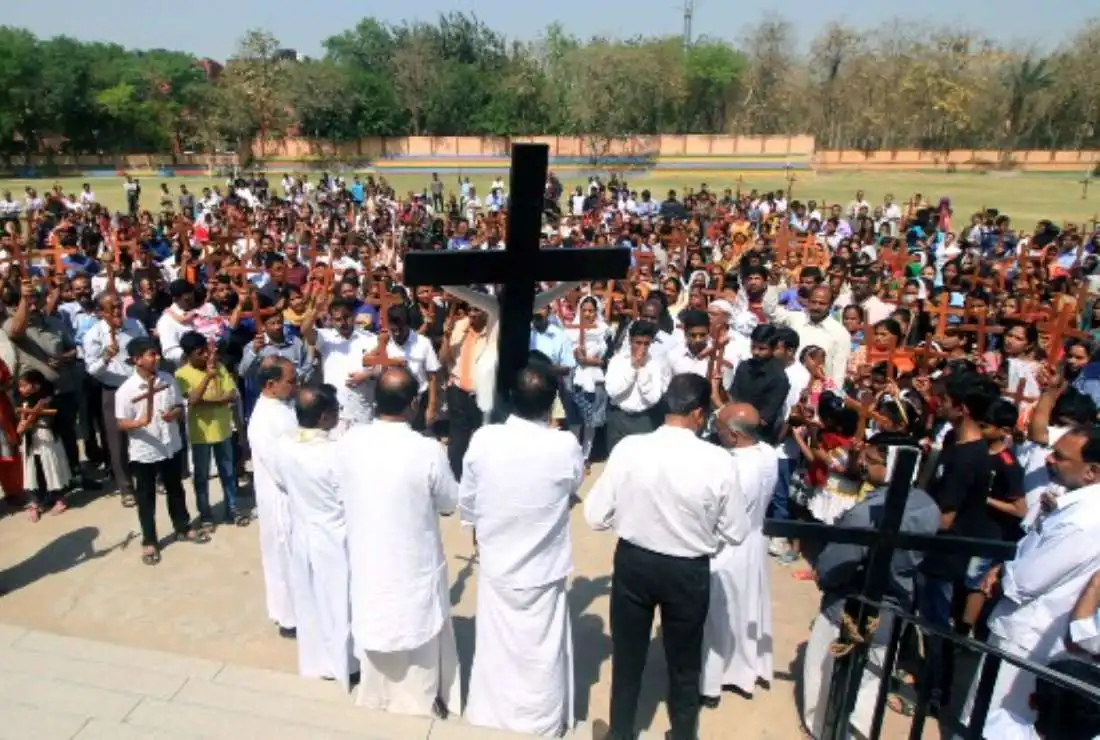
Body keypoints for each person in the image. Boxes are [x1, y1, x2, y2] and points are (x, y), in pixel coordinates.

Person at [585, 373, 751, 740]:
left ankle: (622, 733)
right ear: (698, 414)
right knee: (685, 665)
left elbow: (595, 516)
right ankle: (682, 733)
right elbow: (736, 531)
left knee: (628, 660)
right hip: (688, 571)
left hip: (634, 563)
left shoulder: (630, 448)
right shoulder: (719, 461)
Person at [461, 362, 584, 736]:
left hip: (498, 559)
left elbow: (468, 498)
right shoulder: (564, 444)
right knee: (540, 652)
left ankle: (491, 714)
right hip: (542, 565)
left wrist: (479, 529)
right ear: (553, 405)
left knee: (496, 645)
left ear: (510, 399)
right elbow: (573, 483)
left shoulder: (485, 439)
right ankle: (540, 722)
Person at [962, 425, 1100, 736]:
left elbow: (1025, 581)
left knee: (991, 723)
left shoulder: (1085, 519)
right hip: (1031, 637)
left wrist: (1001, 573)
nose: (1049, 459)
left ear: (1091, 471)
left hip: (1026, 641)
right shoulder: (1079, 506)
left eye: (1061, 457)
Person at [336, 367, 459, 716]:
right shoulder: (428, 450)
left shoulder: (350, 442)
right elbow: (451, 502)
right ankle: (418, 703)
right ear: (414, 404)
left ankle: (376, 696)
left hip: (370, 555)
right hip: (410, 559)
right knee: (415, 627)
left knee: (379, 616)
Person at [801, 433, 940, 738]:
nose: (863, 463)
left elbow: (836, 563)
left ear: (890, 465)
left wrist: (824, 578)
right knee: (872, 682)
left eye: (872, 459)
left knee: (823, 677)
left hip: (848, 607)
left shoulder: (867, 512)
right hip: (893, 613)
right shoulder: (928, 506)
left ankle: (822, 728)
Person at [701, 402, 777, 705]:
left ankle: (713, 680)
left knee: (721, 614)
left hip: (728, 547)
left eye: (719, 428)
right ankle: (748, 668)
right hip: (755, 540)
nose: (715, 433)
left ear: (733, 436)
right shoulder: (768, 454)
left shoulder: (731, 466)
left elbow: (720, 517)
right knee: (748, 608)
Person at [115, 337, 209, 566]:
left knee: (175, 489)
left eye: (156, 353)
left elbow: (178, 405)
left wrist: (174, 414)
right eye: (150, 354)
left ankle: (182, 527)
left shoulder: (167, 380)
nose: (156, 358)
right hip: (145, 450)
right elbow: (121, 423)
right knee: (146, 497)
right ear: (137, 360)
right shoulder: (126, 390)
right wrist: (139, 423)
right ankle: (149, 540)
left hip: (170, 444)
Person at [246, 356, 298, 638]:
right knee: (283, 559)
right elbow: (279, 467)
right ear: (270, 384)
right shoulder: (263, 420)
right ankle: (289, 618)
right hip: (280, 501)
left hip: (293, 499)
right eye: (290, 381)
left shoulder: (282, 408)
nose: (296, 385)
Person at [83, 292, 146, 508]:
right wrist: (106, 358)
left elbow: (146, 348)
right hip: (113, 390)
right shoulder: (93, 335)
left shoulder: (135, 325)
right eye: (112, 309)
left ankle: (149, 477)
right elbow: (92, 370)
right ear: (101, 312)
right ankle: (126, 487)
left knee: (145, 431)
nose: (118, 312)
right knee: (117, 441)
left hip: (138, 385)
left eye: (119, 306)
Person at [175, 331, 245, 529]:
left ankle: (232, 509)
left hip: (222, 429)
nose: (206, 356)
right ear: (189, 355)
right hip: (200, 434)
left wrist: (212, 401)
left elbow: (233, 395)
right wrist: (208, 377)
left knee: (228, 472)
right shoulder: (182, 374)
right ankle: (205, 514)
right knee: (201, 476)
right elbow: (193, 400)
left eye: (206, 351)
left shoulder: (220, 366)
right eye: (200, 353)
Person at [302, 298, 377, 432]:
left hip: (362, 410)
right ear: (331, 320)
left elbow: (383, 367)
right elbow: (305, 330)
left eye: (346, 317)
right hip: (335, 413)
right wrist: (315, 311)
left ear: (353, 316)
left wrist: (368, 374)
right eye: (337, 319)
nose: (342, 323)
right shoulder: (325, 338)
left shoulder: (370, 339)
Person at [604, 320, 670, 453]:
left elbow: (653, 398)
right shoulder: (618, 361)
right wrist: (632, 369)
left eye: (646, 344)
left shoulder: (655, 364)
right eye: (638, 343)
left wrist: (641, 371)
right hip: (618, 418)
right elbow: (612, 391)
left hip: (643, 420)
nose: (642, 348)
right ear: (630, 341)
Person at [16, 370, 71, 520]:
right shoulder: (23, 402)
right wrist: (22, 424)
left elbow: (53, 421)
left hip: (46, 439)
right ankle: (35, 502)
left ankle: (60, 499)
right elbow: (20, 420)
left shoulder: (48, 400)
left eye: (24, 386)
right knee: (33, 471)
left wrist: (32, 420)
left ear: (36, 385)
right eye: (20, 386)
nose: (21, 389)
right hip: (30, 441)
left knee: (51, 468)